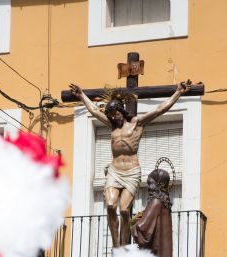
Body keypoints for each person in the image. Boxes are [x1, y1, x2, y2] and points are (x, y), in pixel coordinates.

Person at [69, 81, 192, 248]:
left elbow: (160, 109)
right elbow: (93, 110)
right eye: (111, 115)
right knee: (111, 205)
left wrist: (178, 93)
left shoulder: (137, 123)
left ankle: (124, 244)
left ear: (122, 111)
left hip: (132, 172)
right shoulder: (111, 125)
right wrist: (82, 95)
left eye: (115, 114)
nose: (113, 117)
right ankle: (116, 244)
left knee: (125, 210)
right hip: (114, 170)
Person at [131, 168, 172, 257]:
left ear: (159, 184)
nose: (149, 188)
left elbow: (142, 229)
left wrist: (133, 223)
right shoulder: (166, 204)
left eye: (150, 183)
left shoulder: (155, 202)